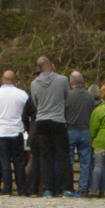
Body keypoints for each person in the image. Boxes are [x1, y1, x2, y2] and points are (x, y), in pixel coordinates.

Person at [29, 57, 71, 197]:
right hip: (58, 119)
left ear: (39, 68)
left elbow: (36, 102)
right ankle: (68, 188)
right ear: (52, 66)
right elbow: (67, 98)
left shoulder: (34, 83)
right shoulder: (62, 80)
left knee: (45, 155)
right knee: (63, 155)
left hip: (41, 120)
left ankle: (48, 189)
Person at [0, 70, 29, 195]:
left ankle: (7, 189)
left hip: (1, 131)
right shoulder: (22, 94)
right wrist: (24, 127)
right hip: (17, 131)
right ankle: (22, 189)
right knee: (19, 162)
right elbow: (28, 112)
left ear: (2, 79)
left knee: (4, 161)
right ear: (15, 80)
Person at [65, 71, 95, 198]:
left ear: (71, 82)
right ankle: (83, 188)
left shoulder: (67, 96)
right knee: (85, 161)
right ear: (82, 82)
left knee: (69, 161)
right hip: (85, 130)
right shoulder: (89, 96)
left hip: (71, 129)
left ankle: (68, 187)